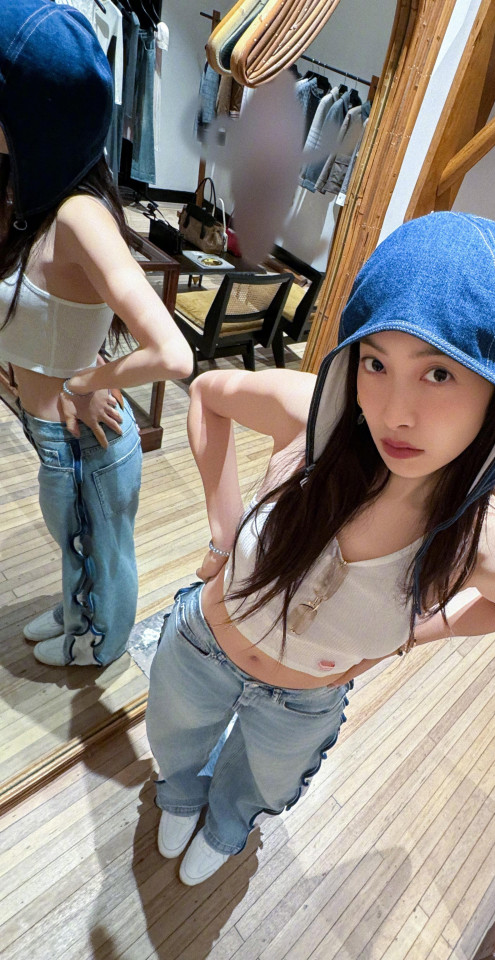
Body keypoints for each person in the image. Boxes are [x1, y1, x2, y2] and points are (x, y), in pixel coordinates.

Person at [146, 211, 495, 885]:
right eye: (376, 362)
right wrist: (224, 530)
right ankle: (180, 795)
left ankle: (226, 825)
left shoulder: (481, 543)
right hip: (201, 647)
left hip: (301, 706)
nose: (394, 412)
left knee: (257, 785)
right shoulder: (315, 423)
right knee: (174, 744)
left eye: (439, 374)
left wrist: (416, 632)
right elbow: (207, 396)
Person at [0, 0, 193, 667]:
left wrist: (87, 379)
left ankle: (98, 644)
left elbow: (174, 351)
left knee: (102, 553)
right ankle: (73, 612)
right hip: (52, 433)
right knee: (79, 544)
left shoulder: (78, 215)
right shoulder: (32, 196)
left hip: (84, 440)